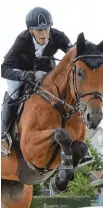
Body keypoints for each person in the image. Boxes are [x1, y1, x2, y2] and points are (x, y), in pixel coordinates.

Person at [1, 7, 73, 155]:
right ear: (30, 31)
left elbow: (73, 53)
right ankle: (3, 134)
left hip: (45, 70)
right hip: (22, 72)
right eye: (39, 30)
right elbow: (4, 68)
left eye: (46, 29)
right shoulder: (22, 41)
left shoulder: (58, 36)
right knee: (13, 89)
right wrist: (22, 76)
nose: (44, 34)